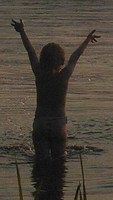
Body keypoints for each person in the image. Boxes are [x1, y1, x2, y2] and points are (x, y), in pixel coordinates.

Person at [12, 19, 98, 161]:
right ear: (61, 61)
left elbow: (30, 50)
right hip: (58, 125)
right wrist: (87, 40)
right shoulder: (64, 76)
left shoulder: (38, 73)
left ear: (42, 59)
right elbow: (76, 56)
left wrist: (22, 31)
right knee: (59, 162)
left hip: (40, 124)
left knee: (40, 163)